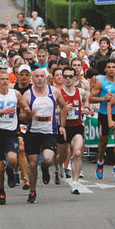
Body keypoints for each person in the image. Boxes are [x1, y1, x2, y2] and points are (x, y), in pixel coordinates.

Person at [0, 70, 32, 204]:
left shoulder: (15, 94)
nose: (5, 81)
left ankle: (11, 172)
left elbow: (24, 106)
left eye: (7, 79)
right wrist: (1, 112)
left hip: (10, 132)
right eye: (2, 79)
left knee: (12, 160)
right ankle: (1, 192)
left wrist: (28, 110)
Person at [21, 68, 68, 202]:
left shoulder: (54, 91)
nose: (40, 79)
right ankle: (32, 191)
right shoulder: (28, 94)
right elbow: (21, 116)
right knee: (32, 164)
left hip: (49, 132)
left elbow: (64, 107)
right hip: (32, 133)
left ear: (46, 78)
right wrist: (28, 115)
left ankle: (45, 168)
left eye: (42, 76)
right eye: (37, 76)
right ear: (32, 79)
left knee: (47, 159)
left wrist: (62, 126)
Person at [90, 59, 115, 180]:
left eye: (113, 67)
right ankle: (100, 161)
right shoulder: (100, 82)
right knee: (104, 141)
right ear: (105, 69)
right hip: (104, 114)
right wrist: (104, 98)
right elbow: (91, 99)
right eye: (108, 67)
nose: (111, 69)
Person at [59, 66, 90, 194]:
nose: (68, 79)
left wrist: (86, 108)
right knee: (62, 155)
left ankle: (75, 183)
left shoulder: (80, 92)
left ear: (75, 77)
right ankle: (60, 167)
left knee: (77, 153)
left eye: (70, 76)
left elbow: (87, 99)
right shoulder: (58, 92)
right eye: (65, 76)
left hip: (76, 127)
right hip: (62, 127)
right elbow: (52, 110)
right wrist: (64, 109)